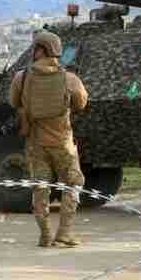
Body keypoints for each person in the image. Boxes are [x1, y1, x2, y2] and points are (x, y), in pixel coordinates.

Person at [9, 30, 88, 247]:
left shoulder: (21, 77)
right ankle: (64, 233)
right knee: (73, 184)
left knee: (40, 188)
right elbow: (81, 103)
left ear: (39, 50)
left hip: (36, 143)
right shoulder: (69, 78)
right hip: (63, 143)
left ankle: (45, 234)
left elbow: (14, 102)